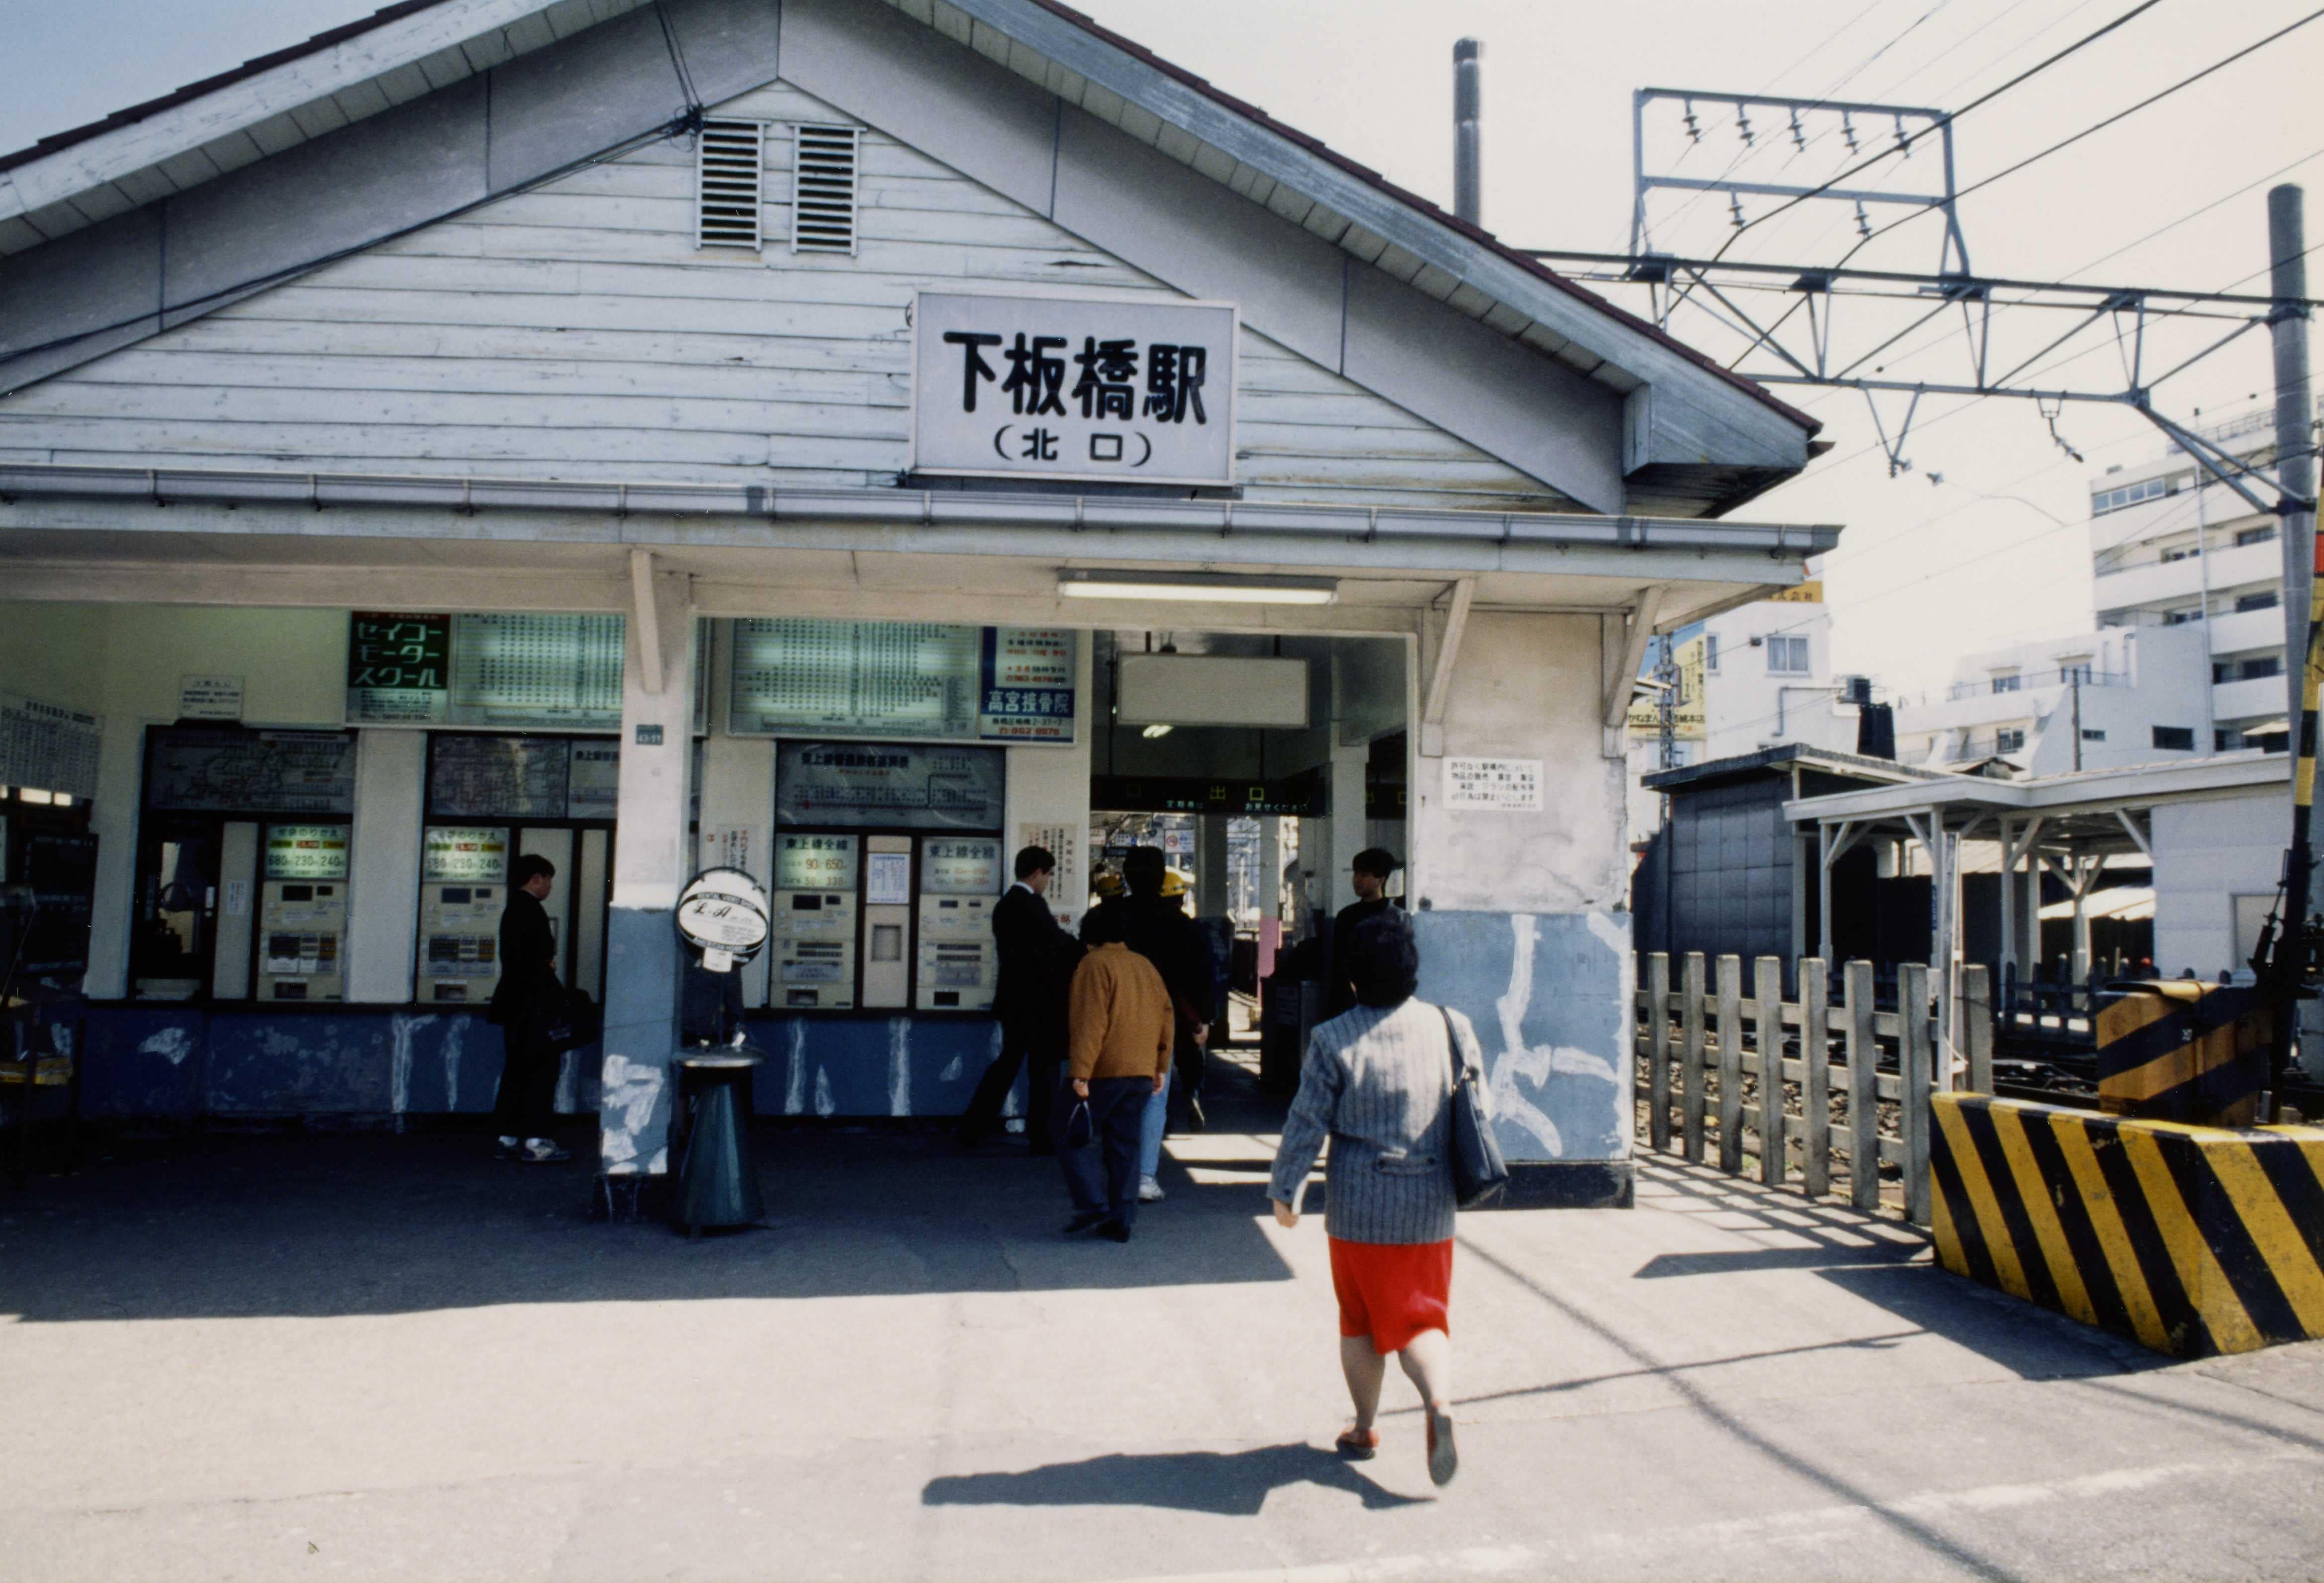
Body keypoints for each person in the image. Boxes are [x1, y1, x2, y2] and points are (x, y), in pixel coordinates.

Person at [1269, 910, 1487, 1489]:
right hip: (1430, 1205)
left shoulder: (1333, 1038)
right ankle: (1437, 1401)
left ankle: (1364, 1428)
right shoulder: (1451, 1027)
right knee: (1422, 1318)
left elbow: (1305, 1122)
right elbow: (1479, 1108)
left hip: (1359, 1210)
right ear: (1412, 969)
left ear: (1352, 974)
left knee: (1360, 1322)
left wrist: (1286, 1189)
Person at [1082, 845, 1215, 1141]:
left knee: (1119, 1081)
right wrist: (1203, 1018)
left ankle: (1125, 1132)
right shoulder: (1186, 925)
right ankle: (1158, 1125)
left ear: (1127, 876)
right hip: (1171, 1013)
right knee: (1163, 1075)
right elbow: (1204, 974)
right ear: (1162, 876)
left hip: (1119, 1015)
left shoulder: (1108, 918)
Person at [1058, 905, 1173, 1242]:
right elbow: (1166, 1017)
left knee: (1066, 1128)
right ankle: (1121, 1218)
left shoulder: (1093, 964)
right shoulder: (1145, 965)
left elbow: (1090, 1022)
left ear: (1089, 935)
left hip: (1104, 1070)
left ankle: (1092, 1202)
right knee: (1125, 1143)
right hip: (1140, 1071)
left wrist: (1080, 1073)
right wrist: (1160, 1066)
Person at [958, 845, 1082, 1152]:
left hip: (1013, 1000)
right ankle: (1042, 1137)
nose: (1048, 882)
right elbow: (1058, 944)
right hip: (1040, 1003)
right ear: (1037, 873)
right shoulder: (1032, 904)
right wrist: (1084, 948)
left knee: (1007, 1064)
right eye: (1048, 876)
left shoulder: (1005, 905)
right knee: (1044, 1070)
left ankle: (972, 1129)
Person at [488, 853, 569, 1163]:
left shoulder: (512, 909)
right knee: (541, 1072)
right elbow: (540, 962)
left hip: (514, 1004)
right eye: (548, 881)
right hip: (535, 1006)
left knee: (517, 1072)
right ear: (537, 878)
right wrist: (549, 970)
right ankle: (537, 1142)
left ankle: (508, 1138)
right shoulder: (533, 910)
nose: (550, 887)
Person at [1323, 847, 1401, 1018]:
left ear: (1381, 880)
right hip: (1349, 1002)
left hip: (1386, 1001)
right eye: (1356, 874)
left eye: (1364, 875)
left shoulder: (1396, 917)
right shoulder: (1346, 916)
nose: (1357, 880)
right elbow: (1339, 964)